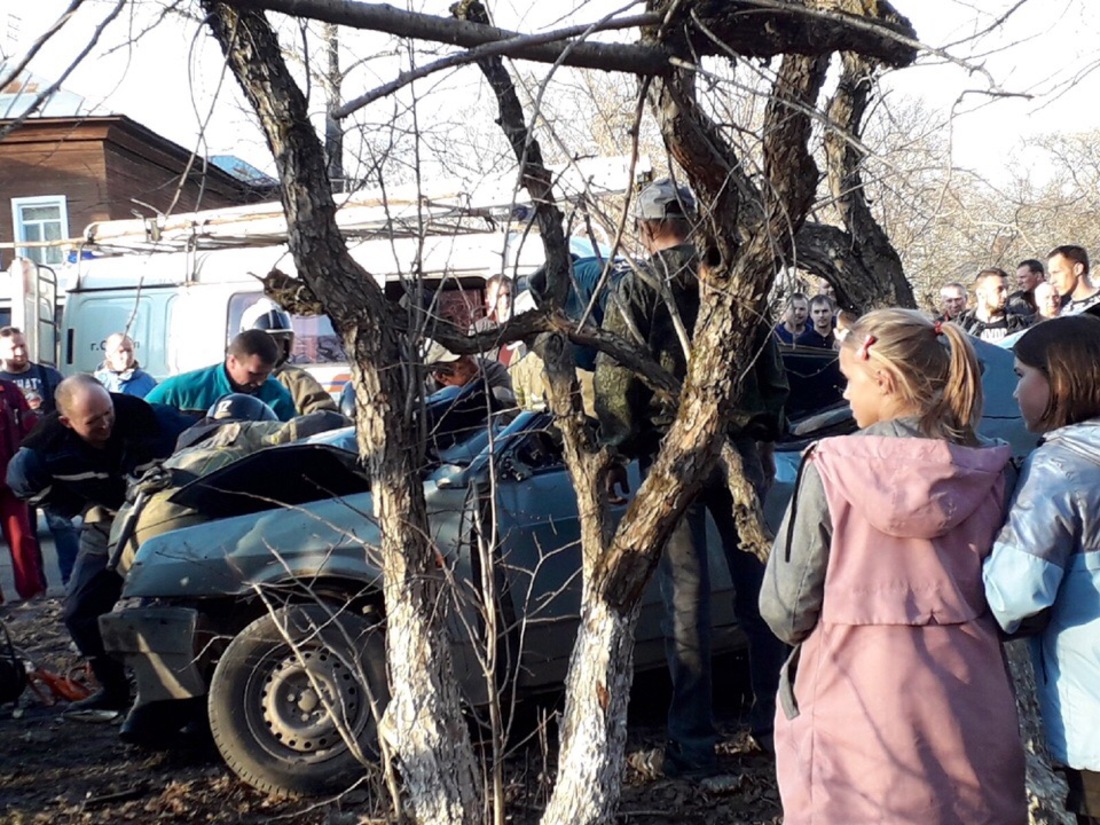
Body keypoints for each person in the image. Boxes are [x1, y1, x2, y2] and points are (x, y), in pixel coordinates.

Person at [760, 308, 1026, 825]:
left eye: (849, 380)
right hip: (972, 702)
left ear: (882, 378)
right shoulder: (996, 468)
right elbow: (1016, 599)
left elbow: (786, 611)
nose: (844, 395)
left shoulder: (832, 467)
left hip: (851, 706)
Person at [596, 177, 788, 779]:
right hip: (737, 450)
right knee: (761, 591)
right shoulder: (729, 278)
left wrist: (621, 446)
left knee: (686, 602)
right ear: (696, 220)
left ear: (646, 229)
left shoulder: (636, 287)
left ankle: (693, 746)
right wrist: (763, 435)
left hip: (671, 457)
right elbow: (770, 364)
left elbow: (614, 377)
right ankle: (777, 727)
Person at [6, 375, 190, 714]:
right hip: (106, 526)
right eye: (93, 421)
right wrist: (82, 509)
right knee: (80, 612)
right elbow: (23, 486)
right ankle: (113, 688)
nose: (106, 423)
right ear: (67, 422)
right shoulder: (41, 453)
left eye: (108, 412)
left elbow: (207, 440)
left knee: (171, 607)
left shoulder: (151, 421)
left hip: (166, 523)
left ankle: (184, 697)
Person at [983, 315, 1100, 825]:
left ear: (1060, 379)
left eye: (1019, 374)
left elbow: (1015, 595)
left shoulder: (1057, 471)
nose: (1013, 394)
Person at [0, 326, 81, 585]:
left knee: (61, 524)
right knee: (26, 534)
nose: (20, 351)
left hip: (50, 462)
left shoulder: (48, 376)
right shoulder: (4, 386)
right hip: (15, 469)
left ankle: (72, 582)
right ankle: (38, 590)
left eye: (22, 345)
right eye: (13, 347)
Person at [145, 329, 296, 421]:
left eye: (267, 373)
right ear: (232, 361)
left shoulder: (278, 397)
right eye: (254, 374)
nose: (261, 382)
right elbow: (137, 419)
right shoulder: (179, 391)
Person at [238, 299, 337, 415]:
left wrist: (294, 429)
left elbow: (325, 416)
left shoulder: (296, 380)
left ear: (286, 345)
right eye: (265, 342)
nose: (271, 348)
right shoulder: (229, 378)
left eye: (278, 341)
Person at [0, 378, 43, 601]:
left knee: (21, 539)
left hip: (9, 483)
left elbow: (30, 429)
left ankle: (32, 596)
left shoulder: (8, 390)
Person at [424, 338, 515, 407]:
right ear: (441, 377)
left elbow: (509, 409)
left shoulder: (493, 371)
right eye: (464, 366)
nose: (476, 368)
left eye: (472, 357)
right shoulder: (425, 397)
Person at [957, 268, 1032, 342]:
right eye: (999, 290)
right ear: (981, 293)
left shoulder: (1021, 325)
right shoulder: (961, 327)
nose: (1005, 295)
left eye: (1006, 289)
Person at [94, 333, 157, 397]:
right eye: (121, 351)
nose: (126, 356)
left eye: (129, 351)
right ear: (109, 355)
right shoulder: (96, 383)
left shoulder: (148, 382)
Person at [1047, 244, 1100, 316]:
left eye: (1056, 272)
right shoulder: (1065, 314)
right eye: (1050, 274)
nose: (1052, 280)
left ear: (1078, 269)